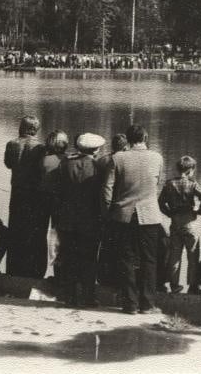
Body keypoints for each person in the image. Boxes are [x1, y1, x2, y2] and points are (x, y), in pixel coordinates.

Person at [102, 124, 164, 314]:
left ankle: (130, 303)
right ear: (145, 137)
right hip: (150, 214)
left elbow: (107, 189)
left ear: (128, 139)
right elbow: (158, 185)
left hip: (123, 214)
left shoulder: (118, 158)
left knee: (126, 259)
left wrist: (108, 211)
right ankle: (148, 304)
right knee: (149, 260)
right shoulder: (157, 157)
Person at [55, 133, 105, 306]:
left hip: (67, 219)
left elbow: (58, 192)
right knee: (89, 259)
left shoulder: (65, 164)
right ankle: (88, 296)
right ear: (95, 150)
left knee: (69, 257)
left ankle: (70, 296)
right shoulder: (98, 167)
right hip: (90, 220)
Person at [158, 156, 201, 294]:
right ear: (190, 170)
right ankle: (192, 285)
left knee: (175, 255)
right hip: (190, 222)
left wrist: (169, 214)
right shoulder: (193, 184)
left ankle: (174, 285)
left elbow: (160, 203)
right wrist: (199, 211)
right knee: (192, 255)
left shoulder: (169, 184)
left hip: (175, 222)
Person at [4, 116, 45, 278]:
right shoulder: (40, 147)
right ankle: (30, 271)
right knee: (31, 233)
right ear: (36, 129)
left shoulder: (12, 143)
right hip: (34, 194)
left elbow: (8, 164)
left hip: (17, 191)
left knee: (15, 230)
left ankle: (14, 269)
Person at [96, 133, 127, 288]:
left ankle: (102, 277)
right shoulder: (125, 161)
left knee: (104, 245)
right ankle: (115, 279)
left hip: (102, 208)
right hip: (118, 209)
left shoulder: (102, 160)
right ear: (125, 146)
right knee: (119, 246)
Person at [37, 130, 69, 277]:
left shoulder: (44, 160)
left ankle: (41, 269)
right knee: (59, 236)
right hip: (61, 202)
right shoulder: (68, 160)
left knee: (42, 234)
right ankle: (58, 271)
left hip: (43, 200)